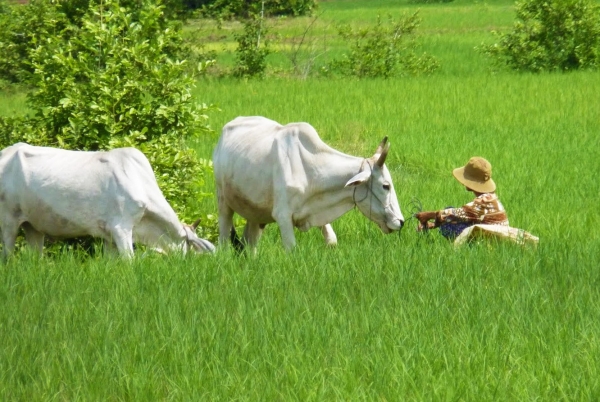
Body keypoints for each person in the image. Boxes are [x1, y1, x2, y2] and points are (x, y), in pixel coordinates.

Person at [415, 156, 509, 240]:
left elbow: (453, 214)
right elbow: (464, 216)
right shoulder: (491, 198)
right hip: (494, 237)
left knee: (447, 221)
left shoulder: (482, 201)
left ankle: (463, 249)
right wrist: (434, 224)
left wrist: (428, 215)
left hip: (488, 240)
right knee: (449, 214)